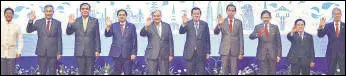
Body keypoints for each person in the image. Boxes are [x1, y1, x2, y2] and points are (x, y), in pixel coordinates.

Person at [66, 3, 101, 75]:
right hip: (79, 51)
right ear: (80, 10)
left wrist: (98, 50)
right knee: (81, 72)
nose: (85, 10)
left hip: (91, 51)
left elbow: (97, 36)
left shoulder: (95, 21)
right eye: (83, 9)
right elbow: (69, 32)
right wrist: (69, 24)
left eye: (87, 9)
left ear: (89, 10)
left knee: (90, 71)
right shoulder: (75, 20)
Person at [26, 5, 62, 75]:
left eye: (50, 11)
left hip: (53, 52)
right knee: (42, 72)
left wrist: (59, 52)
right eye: (47, 11)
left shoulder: (57, 23)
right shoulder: (38, 22)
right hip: (41, 51)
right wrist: (31, 20)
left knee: (52, 72)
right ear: (44, 12)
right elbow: (29, 30)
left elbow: (59, 38)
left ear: (53, 12)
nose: (48, 13)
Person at [140, 9, 174, 75]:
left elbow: (170, 40)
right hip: (152, 54)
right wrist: (146, 27)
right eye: (154, 16)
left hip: (164, 55)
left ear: (161, 16)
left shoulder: (167, 26)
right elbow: (142, 34)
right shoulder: (149, 25)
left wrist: (171, 54)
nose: (156, 17)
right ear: (152, 17)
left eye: (158, 16)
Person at [105, 9, 137, 75]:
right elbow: (107, 35)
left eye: (123, 15)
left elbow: (134, 40)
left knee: (128, 72)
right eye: (120, 15)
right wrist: (108, 26)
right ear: (117, 16)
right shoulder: (113, 25)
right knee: (116, 73)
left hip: (128, 54)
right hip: (116, 54)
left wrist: (134, 53)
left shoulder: (132, 26)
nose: (121, 16)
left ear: (126, 16)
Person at [214, 4, 244, 75]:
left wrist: (241, 52)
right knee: (224, 70)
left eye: (232, 11)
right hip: (224, 50)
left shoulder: (239, 22)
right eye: (229, 10)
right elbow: (216, 32)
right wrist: (219, 25)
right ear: (226, 11)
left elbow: (241, 37)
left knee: (234, 70)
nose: (231, 12)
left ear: (235, 12)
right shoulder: (222, 21)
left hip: (235, 50)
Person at [249, 10, 282, 75]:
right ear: (261, 18)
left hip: (273, 54)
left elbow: (278, 42)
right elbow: (251, 36)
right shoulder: (258, 27)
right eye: (264, 17)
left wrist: (278, 55)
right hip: (262, 54)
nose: (265, 19)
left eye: (267, 17)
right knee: (263, 73)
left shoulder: (275, 27)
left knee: (272, 72)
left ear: (270, 18)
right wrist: (257, 34)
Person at [180, 7, 211, 75]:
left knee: (201, 72)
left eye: (198, 14)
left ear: (200, 15)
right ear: (191, 15)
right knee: (190, 72)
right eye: (194, 14)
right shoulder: (188, 23)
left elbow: (207, 39)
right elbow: (181, 32)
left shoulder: (205, 24)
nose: (196, 15)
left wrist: (208, 52)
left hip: (201, 54)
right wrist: (183, 23)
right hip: (190, 53)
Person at [317, 7, 345, 75]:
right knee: (331, 72)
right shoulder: (328, 26)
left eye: (338, 14)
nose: (337, 15)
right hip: (331, 53)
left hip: (343, 53)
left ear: (341, 15)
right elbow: (320, 35)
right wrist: (320, 27)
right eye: (335, 14)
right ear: (332, 15)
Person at [1, 7, 23, 75]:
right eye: (7, 13)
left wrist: (19, 51)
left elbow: (20, 40)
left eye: (10, 13)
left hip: (12, 54)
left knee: (11, 73)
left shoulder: (17, 26)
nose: (8, 15)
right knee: (3, 73)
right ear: (4, 15)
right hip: (2, 53)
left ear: (13, 15)